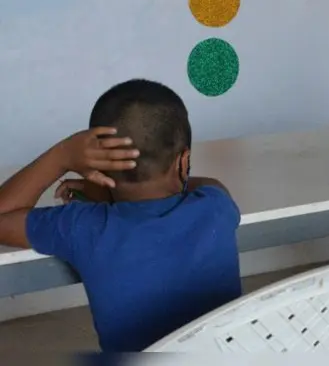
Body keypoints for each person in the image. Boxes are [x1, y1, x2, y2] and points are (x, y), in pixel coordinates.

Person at [0, 79, 241, 352]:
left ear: (99, 169)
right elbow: (209, 183)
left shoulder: (84, 225)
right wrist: (108, 191)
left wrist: (62, 157)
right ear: (183, 161)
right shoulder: (215, 207)